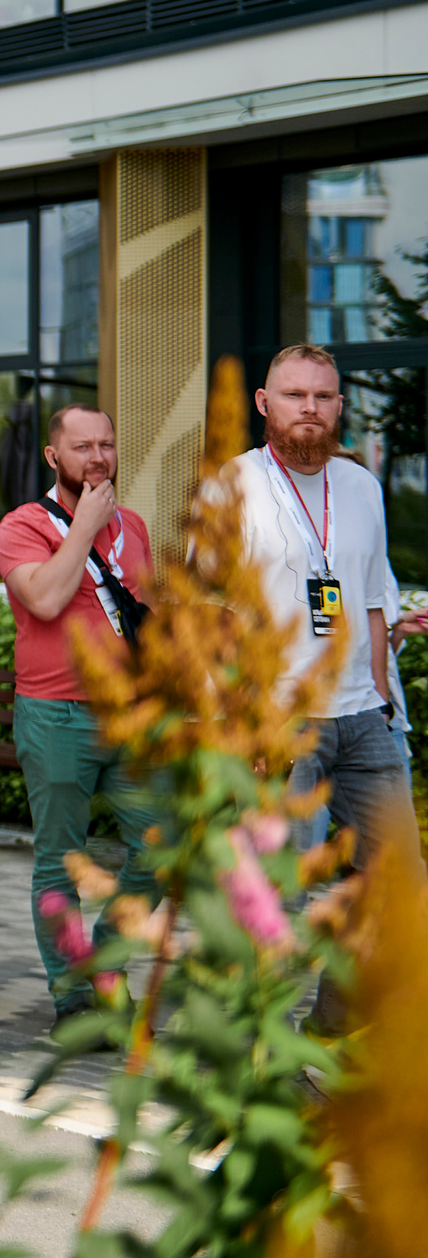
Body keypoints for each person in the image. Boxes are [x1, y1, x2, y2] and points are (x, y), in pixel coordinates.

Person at [227, 346, 424, 1034]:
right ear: (263, 402)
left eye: (323, 395)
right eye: (294, 394)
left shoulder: (361, 485)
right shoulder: (234, 486)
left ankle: (326, 1029)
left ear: (340, 405)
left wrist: (385, 699)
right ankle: (259, 1053)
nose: (309, 407)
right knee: (281, 897)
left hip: (364, 718)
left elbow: (369, 603)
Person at [0, 403, 163, 1039]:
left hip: (131, 718)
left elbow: (145, 617)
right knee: (60, 859)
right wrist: (84, 525)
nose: (98, 458)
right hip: (56, 713)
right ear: (52, 457)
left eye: (108, 445)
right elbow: (46, 597)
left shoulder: (136, 527)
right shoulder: (22, 525)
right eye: (83, 446)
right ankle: (70, 997)